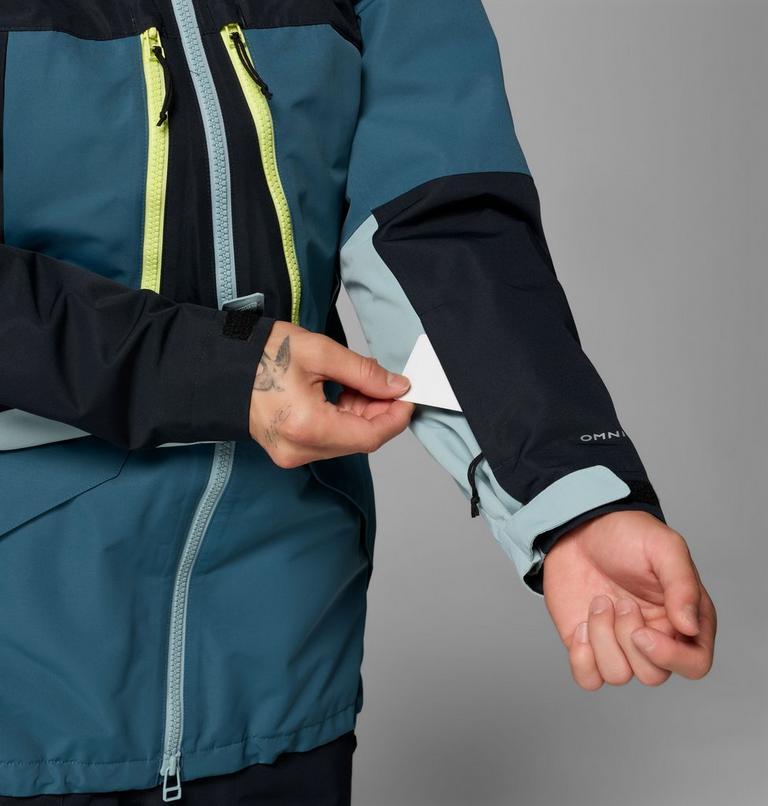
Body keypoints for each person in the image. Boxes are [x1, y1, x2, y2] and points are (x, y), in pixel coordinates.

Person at [0, 0, 716, 803]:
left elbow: (436, 222)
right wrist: (219, 371)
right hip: (22, 690)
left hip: (286, 665)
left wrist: (568, 498)